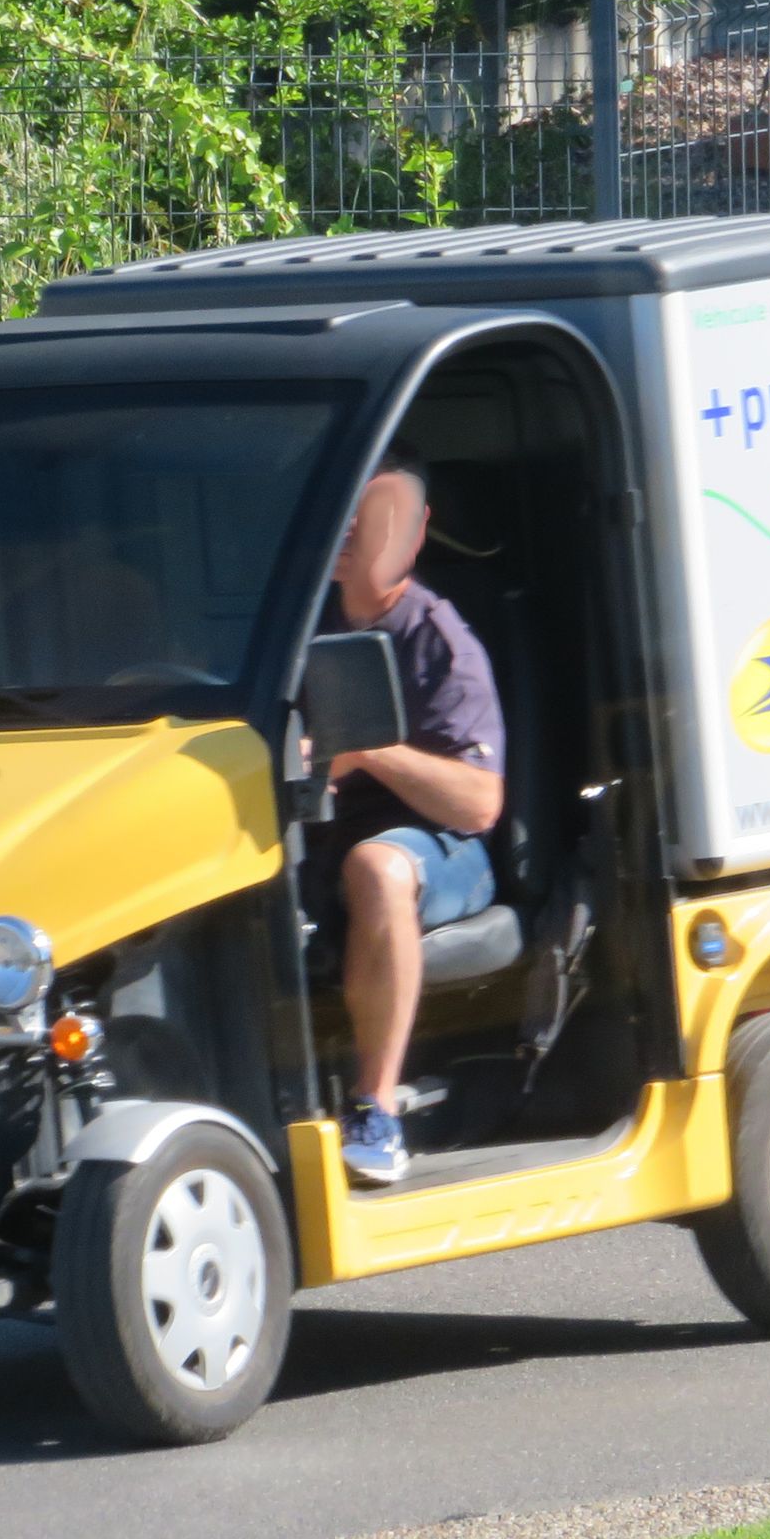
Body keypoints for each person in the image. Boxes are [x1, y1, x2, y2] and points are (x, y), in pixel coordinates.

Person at [325, 454, 506, 1185]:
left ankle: (376, 1109)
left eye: (371, 515)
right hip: (316, 832)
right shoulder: (297, 621)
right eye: (341, 508)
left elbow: (479, 802)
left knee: (377, 866)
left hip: (443, 848)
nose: (348, 528)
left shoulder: (440, 640)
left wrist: (369, 751)